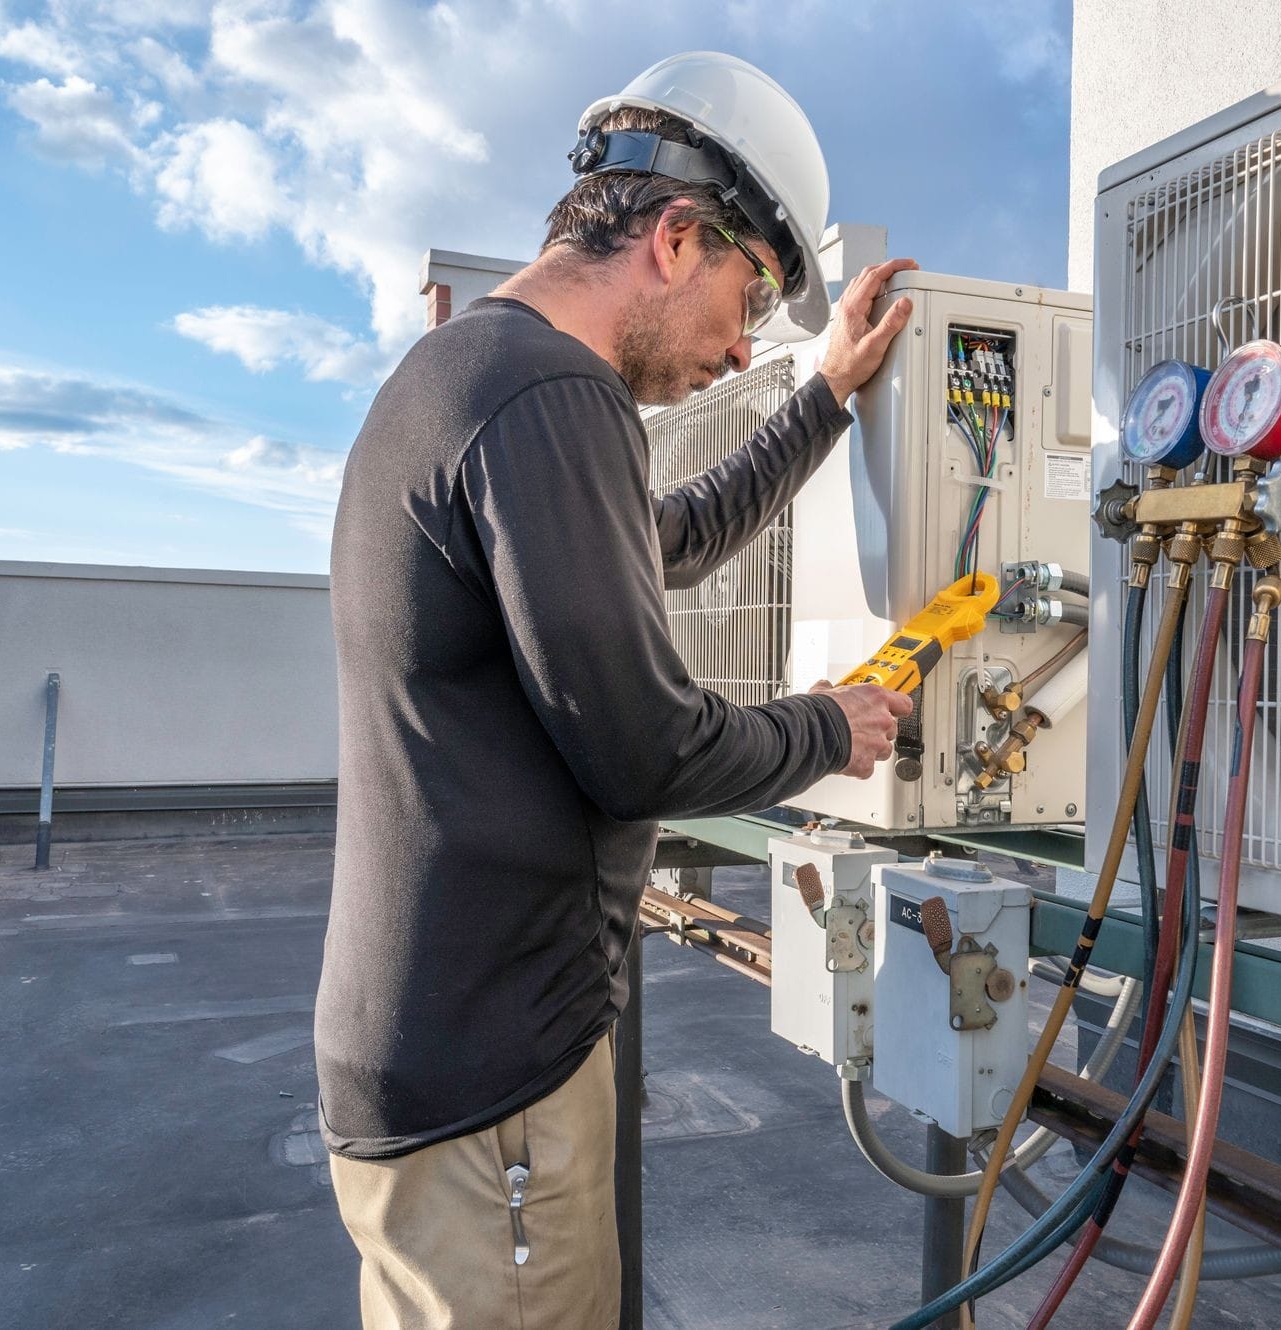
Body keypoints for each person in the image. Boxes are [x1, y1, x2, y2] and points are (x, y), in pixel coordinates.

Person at [315, 51, 918, 1329]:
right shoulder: (547, 393)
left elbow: (671, 531)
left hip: (438, 1057)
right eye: (747, 291)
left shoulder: (474, 377)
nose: (742, 340)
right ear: (676, 237)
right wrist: (832, 726)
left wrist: (823, 401)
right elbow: (641, 748)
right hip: (495, 1092)